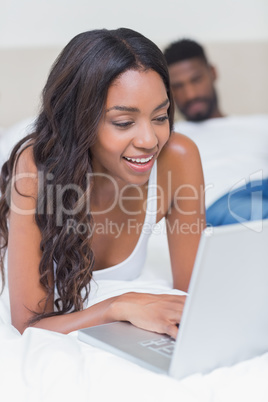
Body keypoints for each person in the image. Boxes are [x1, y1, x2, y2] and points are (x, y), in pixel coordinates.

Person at [0, 28, 205, 338]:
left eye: (160, 117)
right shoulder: (36, 169)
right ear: (80, 121)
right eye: (124, 122)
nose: (150, 140)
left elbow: (194, 298)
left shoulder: (179, 158)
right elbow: (27, 323)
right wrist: (119, 306)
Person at [163, 39, 268, 226]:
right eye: (178, 86)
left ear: (212, 73)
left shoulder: (261, 124)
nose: (191, 94)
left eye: (196, 80)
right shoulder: (166, 136)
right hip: (221, 202)